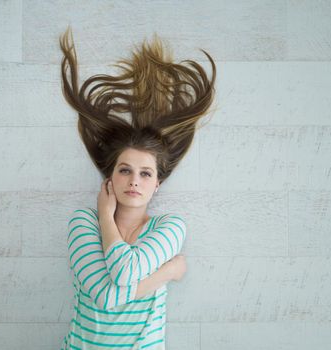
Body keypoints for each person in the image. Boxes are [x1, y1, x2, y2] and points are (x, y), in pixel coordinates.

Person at [58, 25, 216, 349]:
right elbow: (104, 297)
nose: (134, 180)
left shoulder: (170, 228)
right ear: (110, 177)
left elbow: (124, 275)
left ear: (157, 184)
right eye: (125, 170)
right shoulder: (84, 222)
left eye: (146, 174)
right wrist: (167, 273)